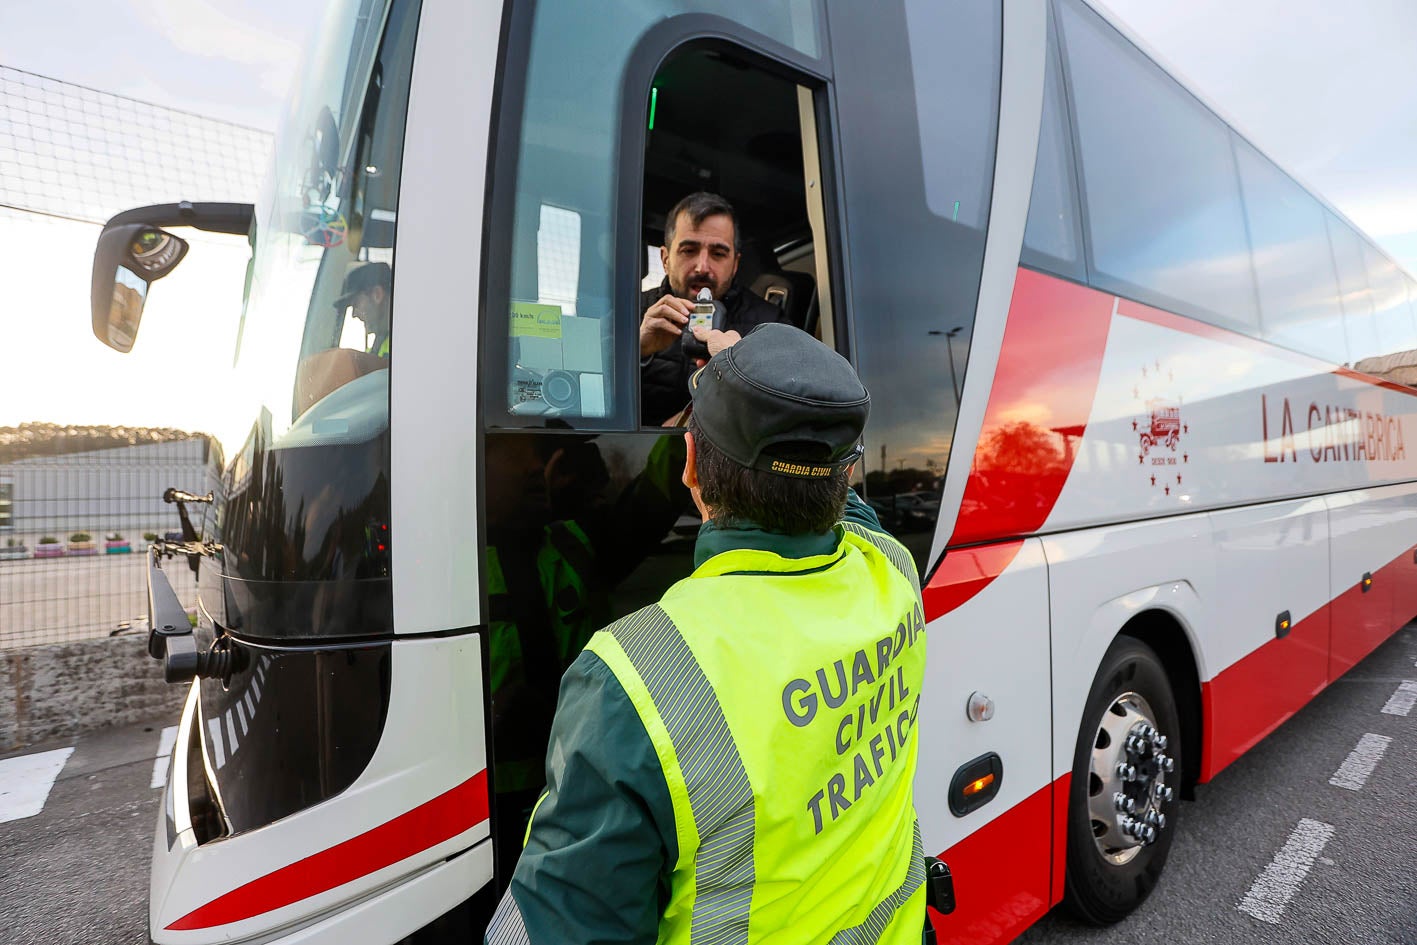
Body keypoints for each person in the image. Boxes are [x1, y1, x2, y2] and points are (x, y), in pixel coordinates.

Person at [486, 324, 929, 944]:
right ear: (842, 474)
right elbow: (852, 512)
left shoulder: (632, 679)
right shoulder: (893, 572)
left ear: (689, 465)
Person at [640, 192, 790, 425]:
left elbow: (793, 408)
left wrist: (744, 372)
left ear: (735, 264)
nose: (702, 267)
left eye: (718, 254)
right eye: (689, 250)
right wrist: (635, 352)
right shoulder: (630, 312)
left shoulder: (771, 324)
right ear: (665, 259)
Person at [333, 260, 392, 357]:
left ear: (377, 295)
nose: (354, 315)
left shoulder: (406, 342)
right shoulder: (379, 344)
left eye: (355, 303)